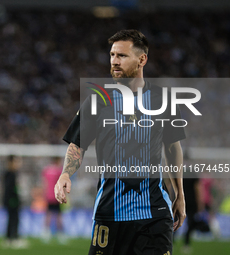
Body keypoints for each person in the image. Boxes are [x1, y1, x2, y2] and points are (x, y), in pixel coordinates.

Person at [55, 29, 186, 255]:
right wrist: (65, 174)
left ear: (142, 59)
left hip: (154, 213)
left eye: (122, 56)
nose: (114, 61)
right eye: (112, 55)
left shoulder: (163, 100)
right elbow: (78, 144)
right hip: (110, 211)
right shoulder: (97, 99)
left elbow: (173, 148)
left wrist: (180, 195)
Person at [1, 155, 28, 249]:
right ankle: (14, 238)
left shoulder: (11, 173)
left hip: (12, 200)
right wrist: (14, 197)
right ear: (11, 163)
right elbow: (9, 189)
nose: (17, 164)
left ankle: (9, 239)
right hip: (12, 201)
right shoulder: (10, 174)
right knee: (14, 219)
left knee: (12, 219)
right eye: (16, 162)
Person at [41, 157, 66, 243]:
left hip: (48, 195)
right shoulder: (59, 171)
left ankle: (45, 233)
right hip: (57, 195)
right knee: (58, 216)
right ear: (57, 161)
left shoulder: (46, 170)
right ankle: (60, 234)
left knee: (48, 215)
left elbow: (44, 183)